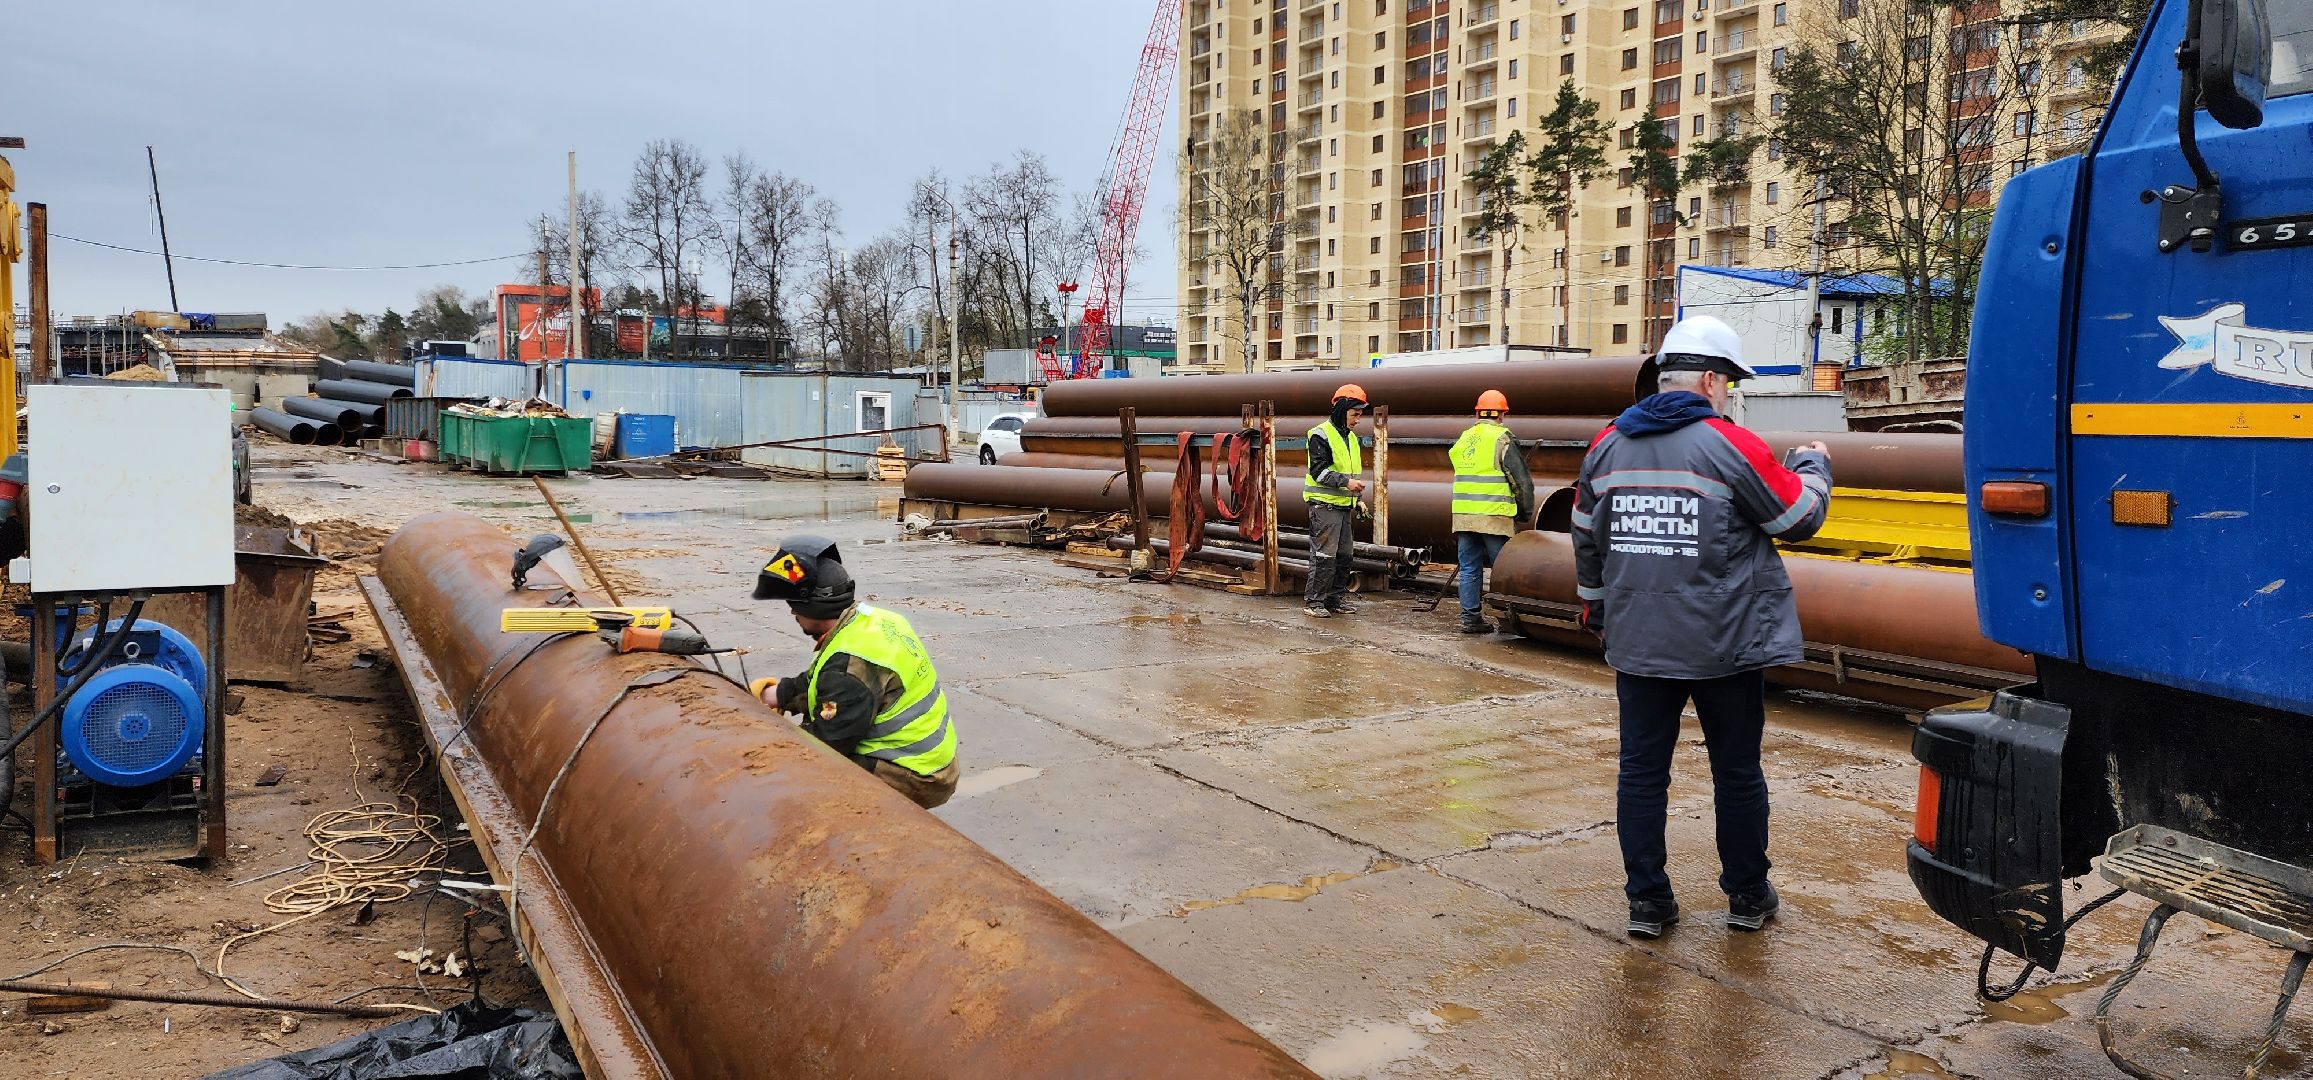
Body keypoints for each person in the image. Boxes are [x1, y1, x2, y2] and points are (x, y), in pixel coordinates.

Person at [1571, 315, 1832, 940]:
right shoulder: (1730, 444)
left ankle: (1647, 903)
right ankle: (1747, 895)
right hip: (1725, 643)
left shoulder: (1606, 445)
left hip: (1639, 643)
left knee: (1641, 774)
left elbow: (1585, 540)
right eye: (1730, 383)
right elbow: (1796, 519)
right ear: (1711, 381)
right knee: (1736, 772)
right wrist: (1813, 467)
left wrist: (1600, 614)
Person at [748, 535, 960, 809]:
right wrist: (778, 694)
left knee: (805, 772)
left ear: (813, 605)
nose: (792, 613)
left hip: (917, 775)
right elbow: (821, 681)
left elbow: (826, 745)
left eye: (794, 605)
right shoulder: (873, 621)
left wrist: (768, 741)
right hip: (934, 760)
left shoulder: (849, 669)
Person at [1448, 389, 1535, 634]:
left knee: (1469, 568)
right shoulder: (1502, 438)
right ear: (1502, 415)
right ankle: (1508, 620)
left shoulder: (1464, 438)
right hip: (1494, 514)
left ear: (1477, 413)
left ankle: (1470, 619)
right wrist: (1525, 512)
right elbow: (1521, 481)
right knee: (1503, 569)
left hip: (1464, 515)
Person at [1303, 384, 1369, 619]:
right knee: (1324, 556)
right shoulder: (1320, 435)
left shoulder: (1351, 439)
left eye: (1360, 415)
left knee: (1344, 556)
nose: (1357, 420)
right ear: (1342, 410)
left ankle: (1333, 599)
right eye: (1355, 414)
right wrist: (1346, 483)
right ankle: (1314, 602)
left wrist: (1358, 499)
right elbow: (1319, 472)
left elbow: (1352, 473)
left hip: (1343, 506)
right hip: (1324, 506)